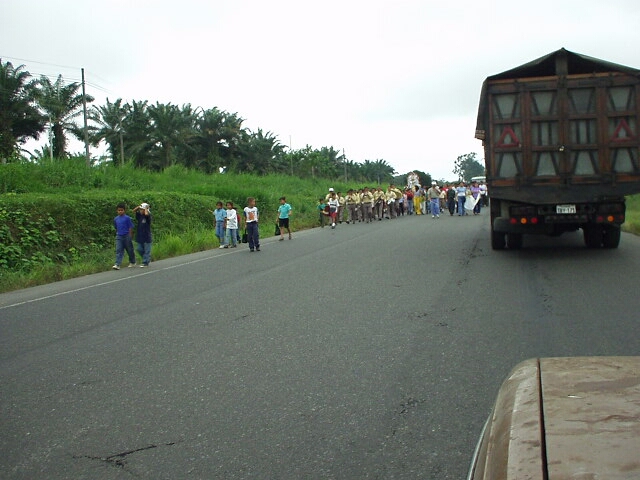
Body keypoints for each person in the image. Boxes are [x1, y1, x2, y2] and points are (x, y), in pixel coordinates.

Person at [112, 202, 136, 270]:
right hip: (119, 236)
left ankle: (132, 261)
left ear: (124, 210)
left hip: (126, 235)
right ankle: (117, 264)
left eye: (121, 210)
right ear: (117, 211)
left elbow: (130, 227)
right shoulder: (116, 219)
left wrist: (130, 235)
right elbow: (116, 227)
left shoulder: (127, 218)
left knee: (129, 249)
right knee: (118, 250)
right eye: (119, 210)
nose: (120, 211)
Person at [132, 202, 152, 267]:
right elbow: (134, 211)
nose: (140, 211)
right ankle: (147, 258)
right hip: (140, 236)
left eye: (141, 210)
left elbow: (146, 214)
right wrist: (139, 206)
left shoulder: (147, 217)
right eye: (140, 210)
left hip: (147, 237)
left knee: (147, 250)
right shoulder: (140, 216)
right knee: (139, 249)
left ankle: (145, 262)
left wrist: (146, 208)